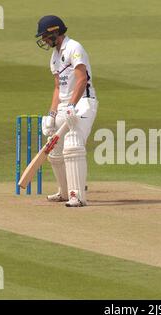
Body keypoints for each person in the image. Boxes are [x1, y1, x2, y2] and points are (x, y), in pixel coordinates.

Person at [36, 15, 98, 207]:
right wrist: (52, 114)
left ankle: (77, 196)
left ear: (55, 32)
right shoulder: (54, 56)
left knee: (73, 143)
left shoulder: (74, 47)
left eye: (46, 36)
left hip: (83, 102)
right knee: (53, 144)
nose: (44, 40)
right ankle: (63, 192)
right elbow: (57, 88)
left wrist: (72, 105)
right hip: (65, 105)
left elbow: (81, 79)